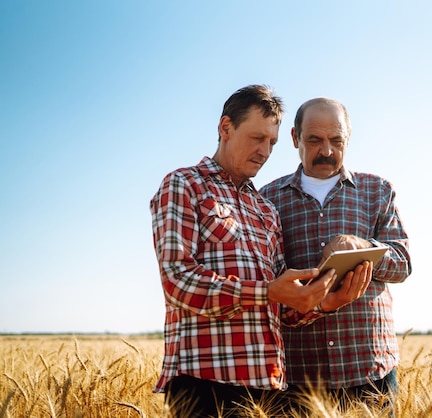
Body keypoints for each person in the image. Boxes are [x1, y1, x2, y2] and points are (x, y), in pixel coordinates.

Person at [149, 85, 370, 417]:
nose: (265, 151)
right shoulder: (184, 185)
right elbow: (177, 281)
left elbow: (281, 303)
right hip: (205, 382)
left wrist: (323, 303)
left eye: (272, 142)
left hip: (268, 389)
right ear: (226, 128)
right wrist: (266, 291)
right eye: (257, 138)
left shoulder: (265, 209)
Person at [260, 97, 412, 416]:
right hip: (299, 376)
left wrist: (359, 246)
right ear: (294, 138)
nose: (327, 151)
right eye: (315, 140)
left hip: (370, 371)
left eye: (336, 140)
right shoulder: (267, 199)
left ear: (348, 138)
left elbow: (403, 264)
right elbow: (266, 282)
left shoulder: (378, 190)